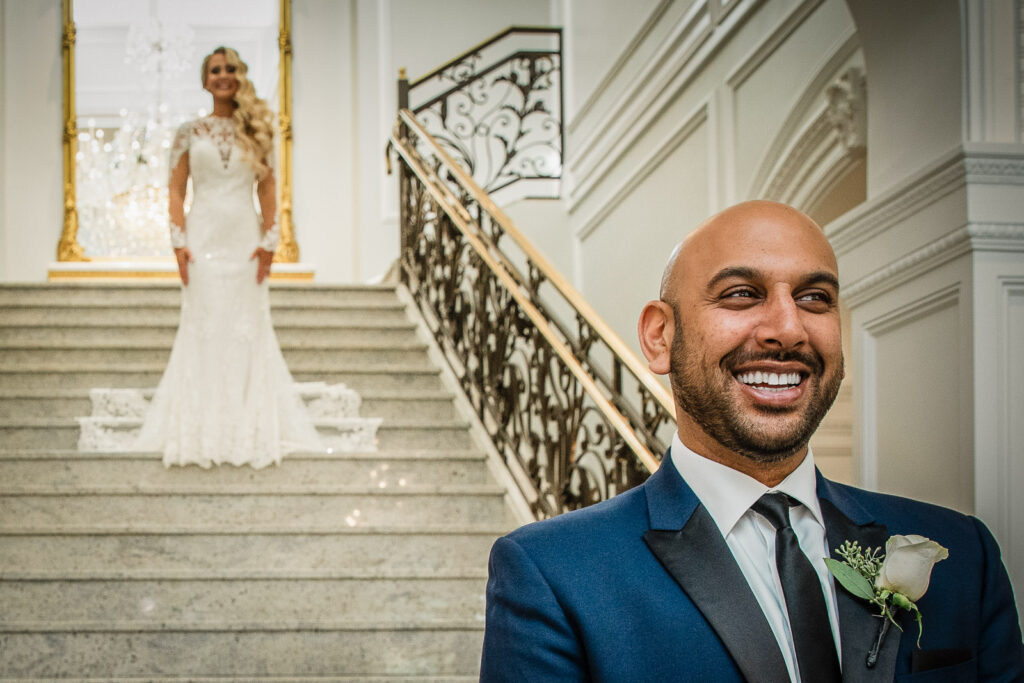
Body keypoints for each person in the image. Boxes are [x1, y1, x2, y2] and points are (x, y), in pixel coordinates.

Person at [480, 200, 1024, 681]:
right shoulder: (554, 573)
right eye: (742, 294)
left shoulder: (960, 552)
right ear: (659, 337)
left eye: (815, 297)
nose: (788, 328)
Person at [136, 46, 321, 469]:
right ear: (205, 80)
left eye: (230, 68)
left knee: (245, 326)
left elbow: (268, 190)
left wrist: (271, 241)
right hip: (201, 238)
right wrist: (178, 241)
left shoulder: (256, 130)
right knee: (203, 324)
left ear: (240, 75)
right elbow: (177, 189)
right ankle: (200, 425)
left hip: (244, 239)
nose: (223, 75)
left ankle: (246, 424)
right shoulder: (188, 132)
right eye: (215, 70)